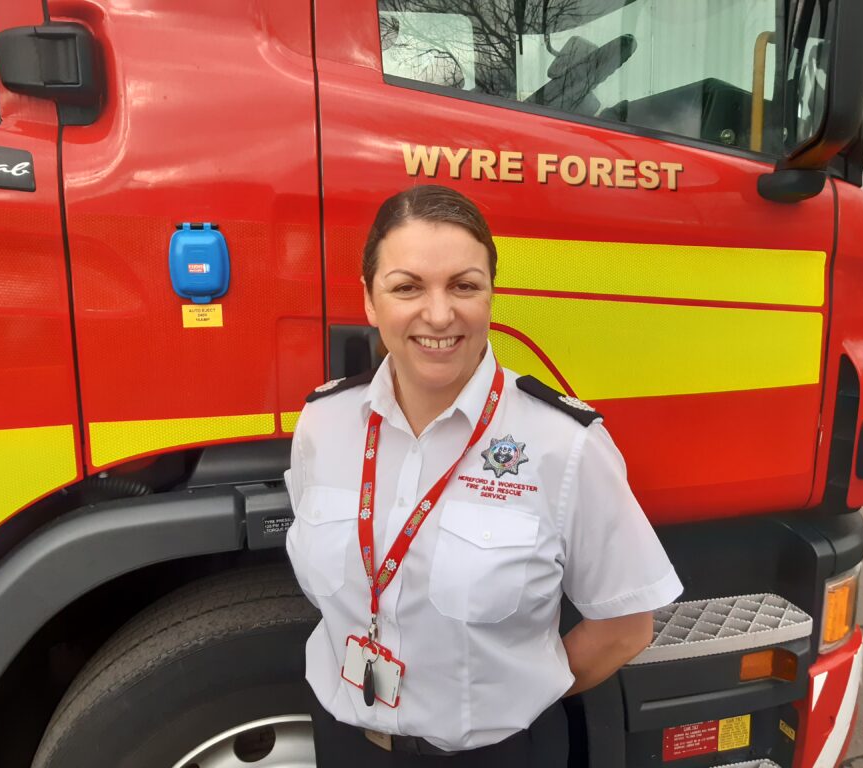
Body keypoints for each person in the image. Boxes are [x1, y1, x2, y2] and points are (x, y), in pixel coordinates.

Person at [284, 185, 682, 766]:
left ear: (492, 296)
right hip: (347, 742)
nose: (440, 314)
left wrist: (514, 697)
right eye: (407, 287)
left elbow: (624, 628)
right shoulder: (323, 424)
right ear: (370, 301)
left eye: (464, 286)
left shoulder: (564, 445)